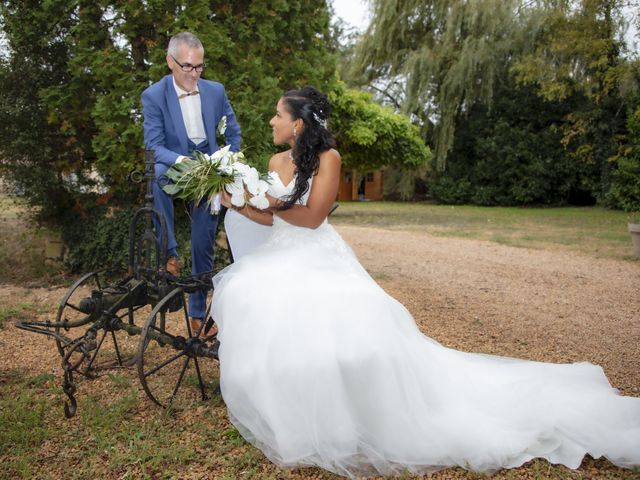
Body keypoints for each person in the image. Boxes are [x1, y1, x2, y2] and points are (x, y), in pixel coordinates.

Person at [213, 86, 639, 479]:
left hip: (315, 254)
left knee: (340, 327)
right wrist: (241, 202)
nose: (271, 121)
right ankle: (296, 412)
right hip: (282, 253)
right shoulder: (274, 162)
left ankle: (356, 415)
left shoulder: (330, 159)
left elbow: (311, 217)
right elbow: (272, 218)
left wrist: (270, 200)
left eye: (277, 115)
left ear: (298, 123)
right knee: (261, 308)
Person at [142, 31, 241, 333]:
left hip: (210, 168)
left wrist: (228, 158)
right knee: (156, 175)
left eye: (199, 67)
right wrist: (182, 162)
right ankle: (170, 253)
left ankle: (197, 314)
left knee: (203, 241)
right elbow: (154, 145)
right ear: (169, 61)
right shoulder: (154, 95)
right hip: (177, 164)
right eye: (187, 66)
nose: (194, 74)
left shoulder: (216, 91)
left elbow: (233, 131)